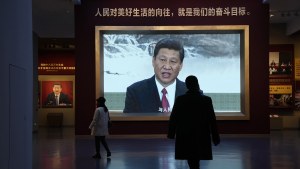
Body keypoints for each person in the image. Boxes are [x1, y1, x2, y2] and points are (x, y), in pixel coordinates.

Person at [167, 75, 220, 169]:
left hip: (185, 133)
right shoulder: (206, 100)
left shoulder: (180, 99)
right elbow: (212, 119)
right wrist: (215, 136)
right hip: (202, 132)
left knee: (190, 155)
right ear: (197, 84)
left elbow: (174, 117)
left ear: (187, 85)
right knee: (197, 155)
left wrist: (171, 133)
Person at [123, 38, 187, 113]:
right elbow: (128, 123)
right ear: (153, 61)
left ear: (181, 66)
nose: (167, 66)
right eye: (162, 60)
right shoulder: (135, 92)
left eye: (173, 61)